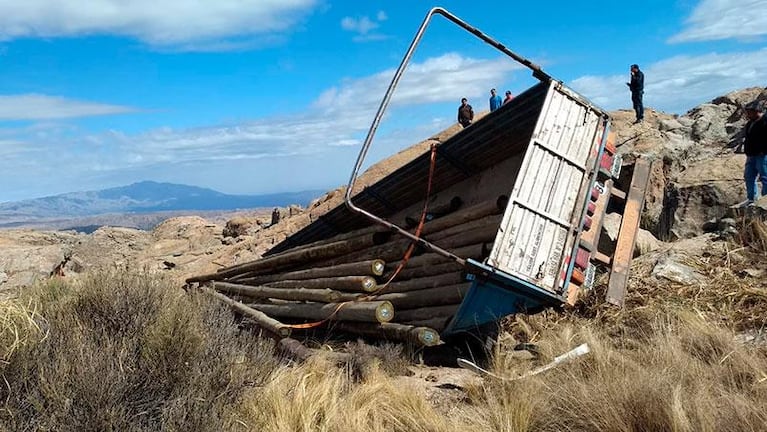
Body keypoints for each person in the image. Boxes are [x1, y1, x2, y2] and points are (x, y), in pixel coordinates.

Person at [741, 100, 767, 205]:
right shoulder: (750, 123)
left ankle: (765, 199)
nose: (748, 114)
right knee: (748, 176)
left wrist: (764, 150)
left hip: (762, 155)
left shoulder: (765, 121)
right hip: (751, 155)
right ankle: (752, 198)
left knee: (765, 177)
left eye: (749, 111)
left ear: (756, 111)